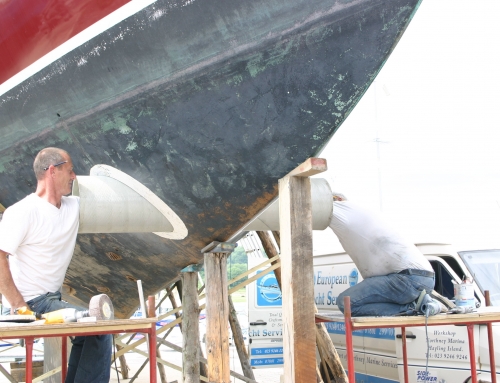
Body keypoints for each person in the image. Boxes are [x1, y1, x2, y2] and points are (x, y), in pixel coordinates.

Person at [0, 147, 111, 383]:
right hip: (30, 303)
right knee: (97, 330)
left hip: (52, 299)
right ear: (52, 171)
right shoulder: (22, 212)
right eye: (70, 171)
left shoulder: (73, 207)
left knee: (91, 331)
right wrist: (19, 306)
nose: (74, 177)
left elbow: (115, 204)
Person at [329, 192, 438, 317]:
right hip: (423, 278)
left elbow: (317, 208)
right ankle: (420, 303)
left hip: (407, 279)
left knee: (345, 302)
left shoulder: (340, 213)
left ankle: (412, 308)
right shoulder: (359, 211)